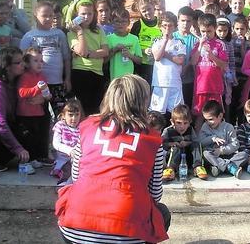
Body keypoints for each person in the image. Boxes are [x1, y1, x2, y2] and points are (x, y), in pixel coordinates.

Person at [55, 75, 170, 243]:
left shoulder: (87, 126)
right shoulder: (153, 139)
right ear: (143, 101)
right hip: (126, 231)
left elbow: (76, 176)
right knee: (162, 212)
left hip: (75, 227)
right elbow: (155, 194)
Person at [20, 1, 72, 118]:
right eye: (44, 16)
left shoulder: (59, 34)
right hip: (38, 85)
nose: (48, 19)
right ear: (35, 16)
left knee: (61, 116)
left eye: (51, 16)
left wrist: (67, 79)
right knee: (41, 115)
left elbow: (66, 58)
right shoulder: (29, 36)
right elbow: (22, 61)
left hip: (57, 83)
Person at [67, 0, 109, 115]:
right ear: (77, 15)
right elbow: (81, 51)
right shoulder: (72, 33)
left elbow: (105, 51)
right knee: (82, 110)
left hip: (98, 73)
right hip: (81, 72)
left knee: (95, 109)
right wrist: (80, 31)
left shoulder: (98, 30)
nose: (86, 17)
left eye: (89, 13)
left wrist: (90, 54)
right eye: (83, 14)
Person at [16, 47, 53, 168]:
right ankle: (30, 159)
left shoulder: (42, 76)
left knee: (39, 135)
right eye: (35, 60)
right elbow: (21, 92)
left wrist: (47, 96)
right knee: (29, 137)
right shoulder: (25, 76)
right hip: (26, 114)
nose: (39, 63)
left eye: (41, 61)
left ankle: (40, 156)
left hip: (39, 112)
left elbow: (46, 93)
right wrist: (37, 89)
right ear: (26, 62)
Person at [190, 14, 228, 130]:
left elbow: (224, 65)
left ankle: (217, 143)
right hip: (201, 87)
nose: (206, 34)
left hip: (215, 87)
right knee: (200, 116)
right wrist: (200, 46)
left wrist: (211, 55)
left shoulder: (220, 44)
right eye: (203, 31)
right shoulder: (197, 44)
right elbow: (193, 62)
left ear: (215, 29)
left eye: (209, 31)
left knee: (216, 116)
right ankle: (198, 144)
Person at [197, 100, 248, 178]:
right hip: (213, 156)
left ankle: (219, 168)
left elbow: (235, 144)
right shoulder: (205, 126)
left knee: (244, 155)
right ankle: (229, 167)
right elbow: (200, 142)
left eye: (210, 119)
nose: (208, 122)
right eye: (206, 120)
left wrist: (222, 151)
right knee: (205, 154)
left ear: (220, 116)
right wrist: (212, 138)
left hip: (227, 155)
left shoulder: (228, 127)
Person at [150, 13, 186, 117]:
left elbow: (180, 60)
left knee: (176, 113)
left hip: (174, 82)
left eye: (170, 25)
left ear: (175, 27)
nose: (167, 28)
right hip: (160, 83)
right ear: (160, 26)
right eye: (164, 25)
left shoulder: (179, 42)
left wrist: (166, 54)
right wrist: (165, 41)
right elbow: (157, 57)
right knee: (157, 115)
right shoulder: (156, 41)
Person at [161, 104, 206, 181]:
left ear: (189, 122)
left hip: (187, 157)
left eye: (185, 123)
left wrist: (187, 143)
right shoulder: (168, 131)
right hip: (173, 158)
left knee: (196, 145)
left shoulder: (190, 130)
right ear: (172, 122)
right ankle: (171, 169)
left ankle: (197, 167)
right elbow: (161, 144)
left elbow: (195, 141)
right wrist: (171, 144)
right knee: (175, 148)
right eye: (179, 123)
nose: (182, 126)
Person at [51, 98, 83, 184]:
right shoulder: (60, 125)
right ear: (64, 115)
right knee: (68, 171)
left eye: (77, 115)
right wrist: (70, 151)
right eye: (70, 115)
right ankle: (63, 185)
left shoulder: (82, 127)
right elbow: (56, 143)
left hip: (78, 160)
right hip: (63, 160)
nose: (74, 118)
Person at [132, 0, 162, 85]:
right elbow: (132, 45)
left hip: (159, 65)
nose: (147, 12)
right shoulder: (137, 25)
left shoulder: (161, 22)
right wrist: (144, 50)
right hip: (142, 65)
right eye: (144, 11)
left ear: (153, 6)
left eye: (149, 9)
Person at [105, 7, 142, 80]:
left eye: (123, 21)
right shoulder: (108, 38)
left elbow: (140, 60)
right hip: (114, 78)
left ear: (128, 22)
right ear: (112, 22)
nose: (120, 24)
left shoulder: (134, 39)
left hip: (129, 78)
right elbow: (104, 60)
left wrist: (129, 55)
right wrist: (114, 50)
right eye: (117, 21)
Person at [173, 6, 198, 109]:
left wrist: (186, 68)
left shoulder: (196, 40)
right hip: (173, 79)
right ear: (178, 21)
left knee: (186, 107)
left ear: (192, 22)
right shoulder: (172, 36)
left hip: (188, 80)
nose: (185, 24)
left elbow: (194, 60)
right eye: (183, 20)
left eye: (188, 21)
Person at [230, 17, 250, 126]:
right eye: (237, 28)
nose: (239, 31)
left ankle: (242, 124)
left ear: (246, 30)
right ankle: (232, 124)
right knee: (232, 101)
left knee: (242, 102)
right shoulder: (231, 42)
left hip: (243, 77)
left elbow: (246, 60)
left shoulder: (248, 43)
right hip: (233, 76)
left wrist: (243, 46)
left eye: (242, 29)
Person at [215, 17, 237, 121]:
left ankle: (226, 123)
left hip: (226, 77)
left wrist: (232, 75)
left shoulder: (229, 43)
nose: (222, 33)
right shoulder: (213, 43)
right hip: (215, 76)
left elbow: (232, 61)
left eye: (225, 31)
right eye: (219, 30)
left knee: (227, 100)